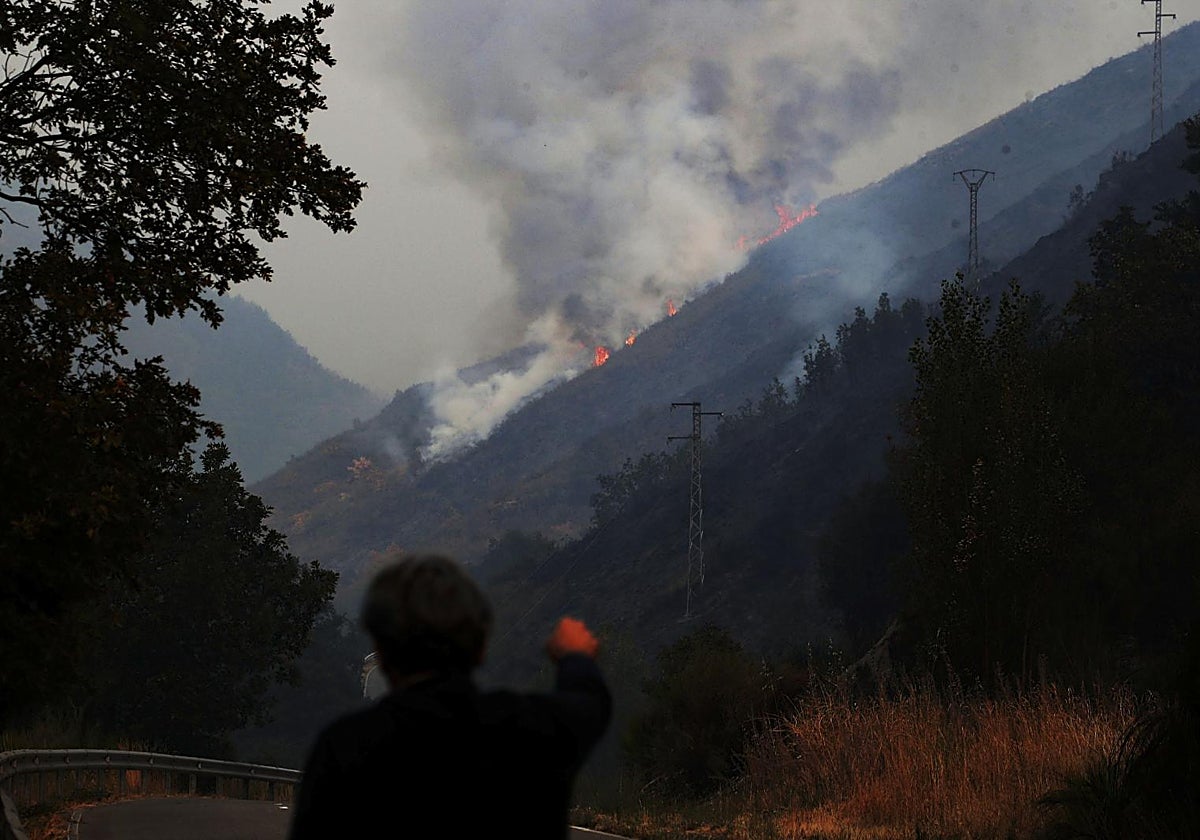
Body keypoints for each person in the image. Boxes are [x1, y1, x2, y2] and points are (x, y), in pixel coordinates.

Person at [287, 553, 611, 840]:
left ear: (382, 653)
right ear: (481, 647)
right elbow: (589, 702)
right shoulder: (531, 730)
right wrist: (575, 656)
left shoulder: (343, 747)